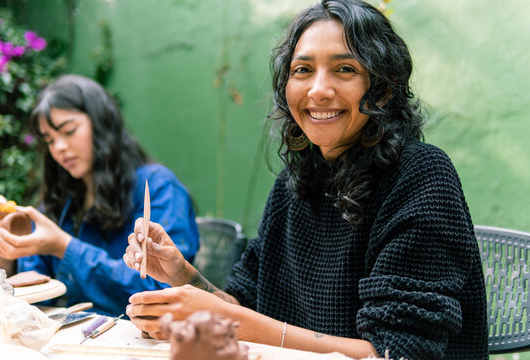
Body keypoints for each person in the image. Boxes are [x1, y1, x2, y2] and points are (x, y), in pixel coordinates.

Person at [123, 0, 488, 358]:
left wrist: (228, 319)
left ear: (382, 89)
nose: (318, 90)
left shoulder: (421, 177)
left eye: (345, 69)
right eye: (302, 70)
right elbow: (245, 305)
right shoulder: (295, 182)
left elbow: (396, 352)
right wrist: (183, 276)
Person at [0, 74, 200, 317]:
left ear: (101, 123)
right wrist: (1, 255)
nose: (58, 147)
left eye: (68, 131)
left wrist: (64, 247)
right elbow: (37, 284)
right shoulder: (63, 193)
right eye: (50, 140)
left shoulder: (158, 188)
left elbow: (159, 289)